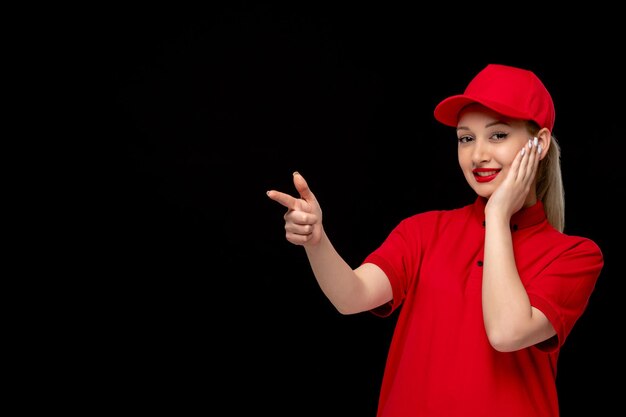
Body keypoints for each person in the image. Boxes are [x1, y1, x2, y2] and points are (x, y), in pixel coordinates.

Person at [266, 63, 604, 417]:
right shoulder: (423, 231)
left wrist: (498, 217)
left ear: (541, 144)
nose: (478, 155)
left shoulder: (575, 255)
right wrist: (317, 242)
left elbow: (506, 332)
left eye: (498, 135)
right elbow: (353, 297)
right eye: (466, 138)